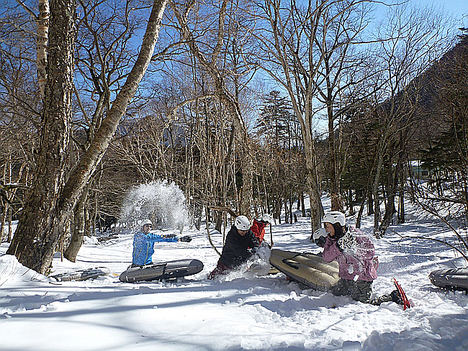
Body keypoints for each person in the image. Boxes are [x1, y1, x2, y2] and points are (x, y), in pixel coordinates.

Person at [318, 211, 403, 305]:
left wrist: (355, 250)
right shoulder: (331, 239)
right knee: (334, 293)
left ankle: (393, 296)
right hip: (346, 277)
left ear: (337, 224)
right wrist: (338, 247)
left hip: (362, 278)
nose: (326, 229)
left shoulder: (355, 234)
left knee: (364, 303)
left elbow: (370, 252)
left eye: (327, 226)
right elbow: (326, 257)